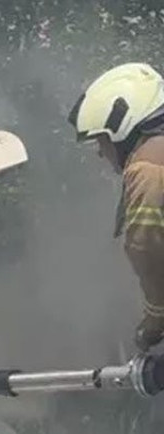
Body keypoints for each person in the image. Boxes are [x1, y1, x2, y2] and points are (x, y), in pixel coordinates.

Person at [69, 62, 164, 352]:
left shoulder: (148, 168)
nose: (100, 152)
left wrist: (154, 322)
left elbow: (146, 245)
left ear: (122, 128)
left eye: (101, 140)